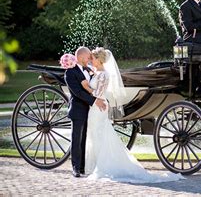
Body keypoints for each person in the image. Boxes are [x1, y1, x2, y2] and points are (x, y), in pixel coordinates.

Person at [84, 47, 183, 183]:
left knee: (98, 133)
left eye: (93, 58)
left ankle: (103, 164)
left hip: (98, 106)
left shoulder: (102, 75)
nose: (91, 60)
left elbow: (97, 93)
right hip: (97, 106)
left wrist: (84, 88)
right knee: (96, 134)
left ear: (99, 60)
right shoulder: (99, 72)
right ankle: (95, 163)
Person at [64, 47, 107, 178]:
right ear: (82, 57)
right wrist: (95, 101)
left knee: (86, 139)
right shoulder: (70, 73)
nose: (90, 59)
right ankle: (76, 168)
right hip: (78, 110)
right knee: (77, 139)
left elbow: (97, 86)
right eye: (88, 56)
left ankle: (84, 167)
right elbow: (78, 92)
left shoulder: (89, 70)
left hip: (92, 112)